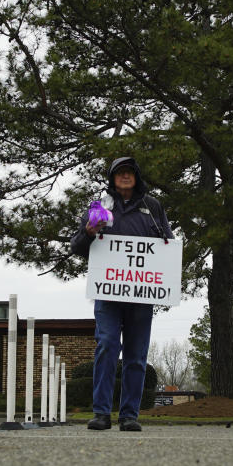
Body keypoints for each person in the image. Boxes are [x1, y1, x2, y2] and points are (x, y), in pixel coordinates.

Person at [70, 156, 173, 432]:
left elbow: (169, 246)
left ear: (137, 177)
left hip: (141, 295)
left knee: (136, 356)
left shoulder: (152, 207)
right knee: (106, 347)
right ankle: (102, 413)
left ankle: (129, 415)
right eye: (120, 173)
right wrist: (89, 232)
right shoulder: (101, 205)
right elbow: (77, 246)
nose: (125, 176)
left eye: (130, 172)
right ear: (112, 178)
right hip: (108, 295)